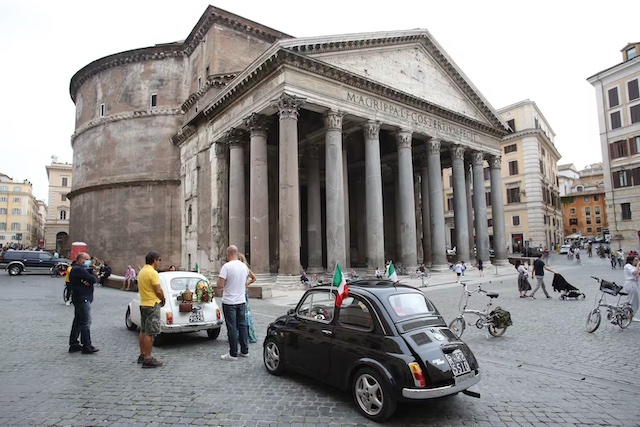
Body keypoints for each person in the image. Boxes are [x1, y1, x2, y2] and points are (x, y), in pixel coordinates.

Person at [217, 245, 250, 361]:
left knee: (232, 327)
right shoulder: (244, 267)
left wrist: (223, 284)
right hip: (241, 300)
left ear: (228, 253)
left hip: (229, 301)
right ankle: (245, 350)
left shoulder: (226, 267)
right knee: (242, 325)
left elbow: (220, 285)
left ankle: (233, 353)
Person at [137, 251, 165, 368]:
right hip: (152, 303)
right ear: (154, 260)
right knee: (150, 332)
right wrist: (163, 298)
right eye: (159, 260)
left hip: (143, 302)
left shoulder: (142, 271)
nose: (159, 263)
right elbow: (158, 290)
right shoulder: (152, 273)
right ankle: (148, 358)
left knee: (143, 330)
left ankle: (142, 354)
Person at [68, 252, 99, 354]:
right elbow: (93, 279)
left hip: (79, 297)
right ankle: (87, 345)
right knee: (86, 322)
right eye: (87, 259)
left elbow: (91, 278)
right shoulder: (78, 269)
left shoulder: (77, 269)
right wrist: (89, 280)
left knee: (78, 321)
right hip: (82, 298)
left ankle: (74, 343)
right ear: (81, 259)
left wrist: (88, 280)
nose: (89, 262)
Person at [238, 253, 257, 343]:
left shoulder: (242, 268)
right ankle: (248, 335)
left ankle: (241, 335)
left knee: (241, 314)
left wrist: (246, 284)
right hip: (244, 291)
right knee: (245, 314)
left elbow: (254, 278)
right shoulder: (245, 268)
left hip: (241, 292)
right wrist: (246, 284)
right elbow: (254, 278)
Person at [622, 255, 640, 321]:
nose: (637, 261)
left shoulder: (633, 267)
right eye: (636, 260)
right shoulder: (628, 266)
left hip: (634, 284)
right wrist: (638, 265)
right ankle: (630, 315)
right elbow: (635, 273)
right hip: (631, 283)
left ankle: (627, 314)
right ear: (631, 260)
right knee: (633, 301)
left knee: (632, 300)